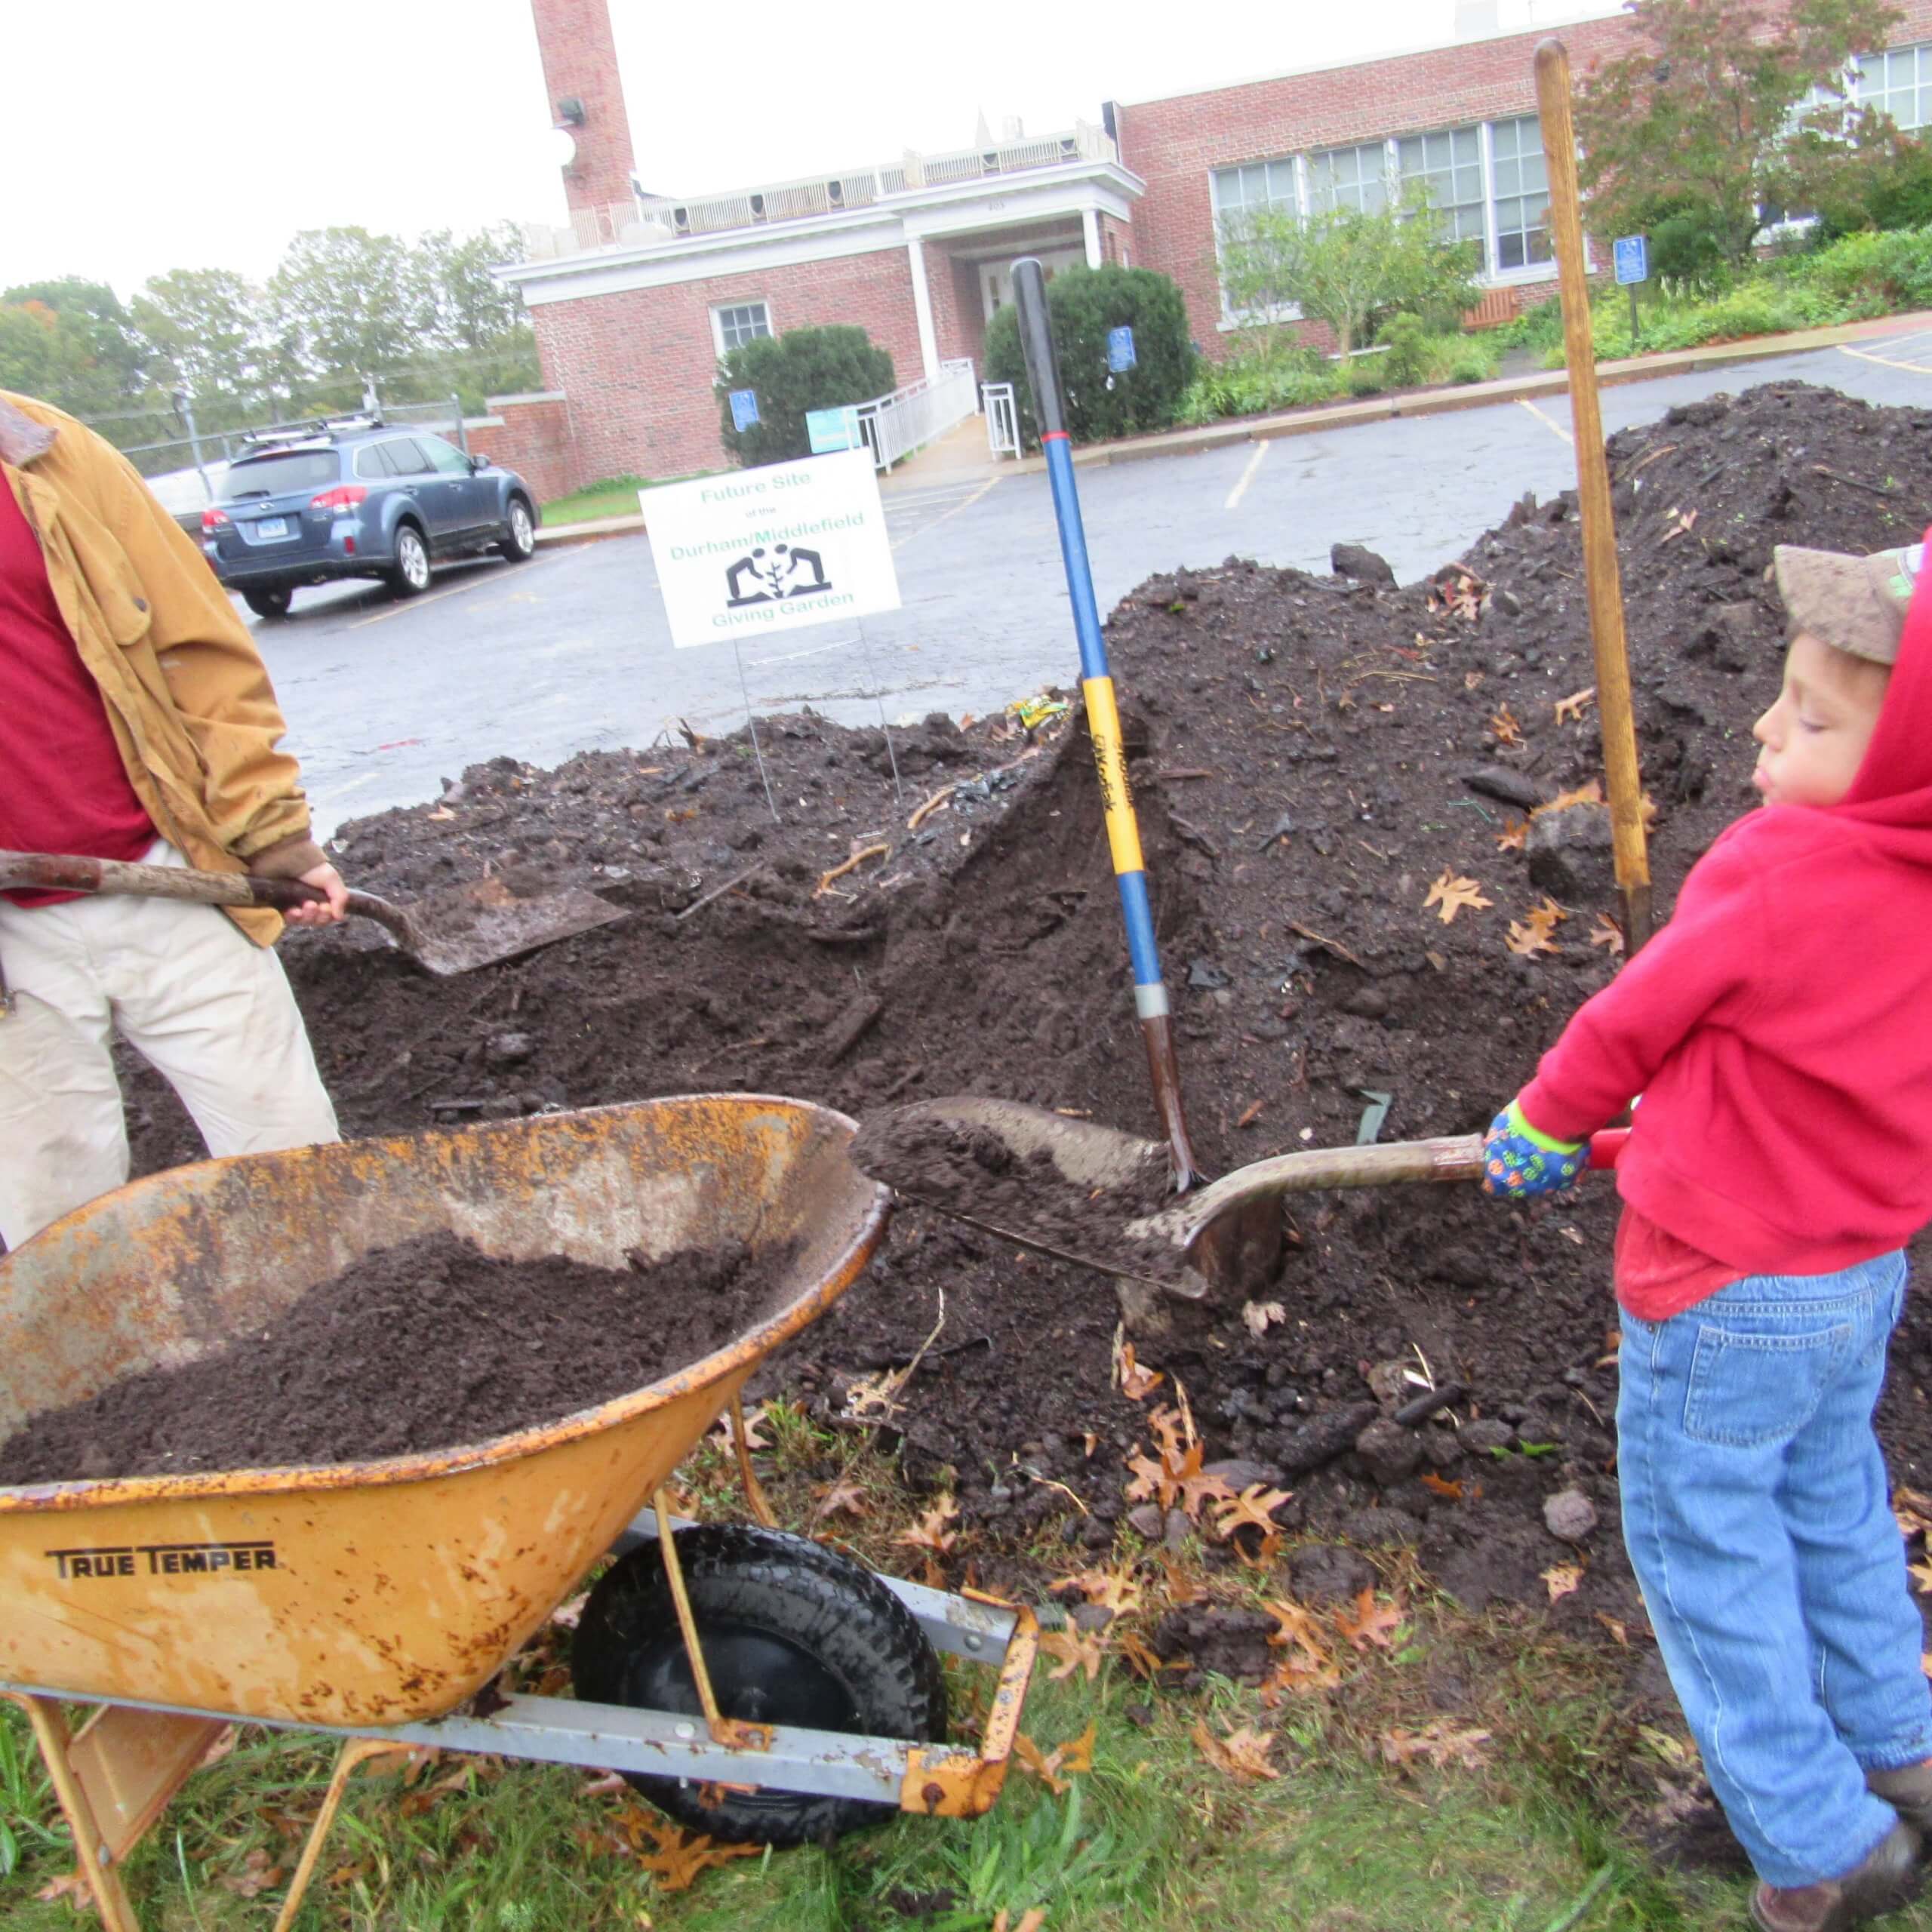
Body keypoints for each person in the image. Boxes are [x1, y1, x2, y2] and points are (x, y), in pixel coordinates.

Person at [1481, 535, 1932, 1932]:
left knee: (1704, 1546)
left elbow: (1638, 1017)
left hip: (1724, 1289)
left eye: (1812, 721)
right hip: (1855, 1273)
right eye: (1780, 700)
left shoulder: (1778, 866)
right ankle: (1903, 1751)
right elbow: (1818, 1063)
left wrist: (1549, 1118)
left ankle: (1818, 1841)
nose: (1764, 732)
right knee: (1831, 1501)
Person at [0, 389, 345, 1249]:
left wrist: (274, 836)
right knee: (55, 1227)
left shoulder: (47, 452)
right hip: (9, 945)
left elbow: (198, 648)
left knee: (294, 1160)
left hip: (166, 872)